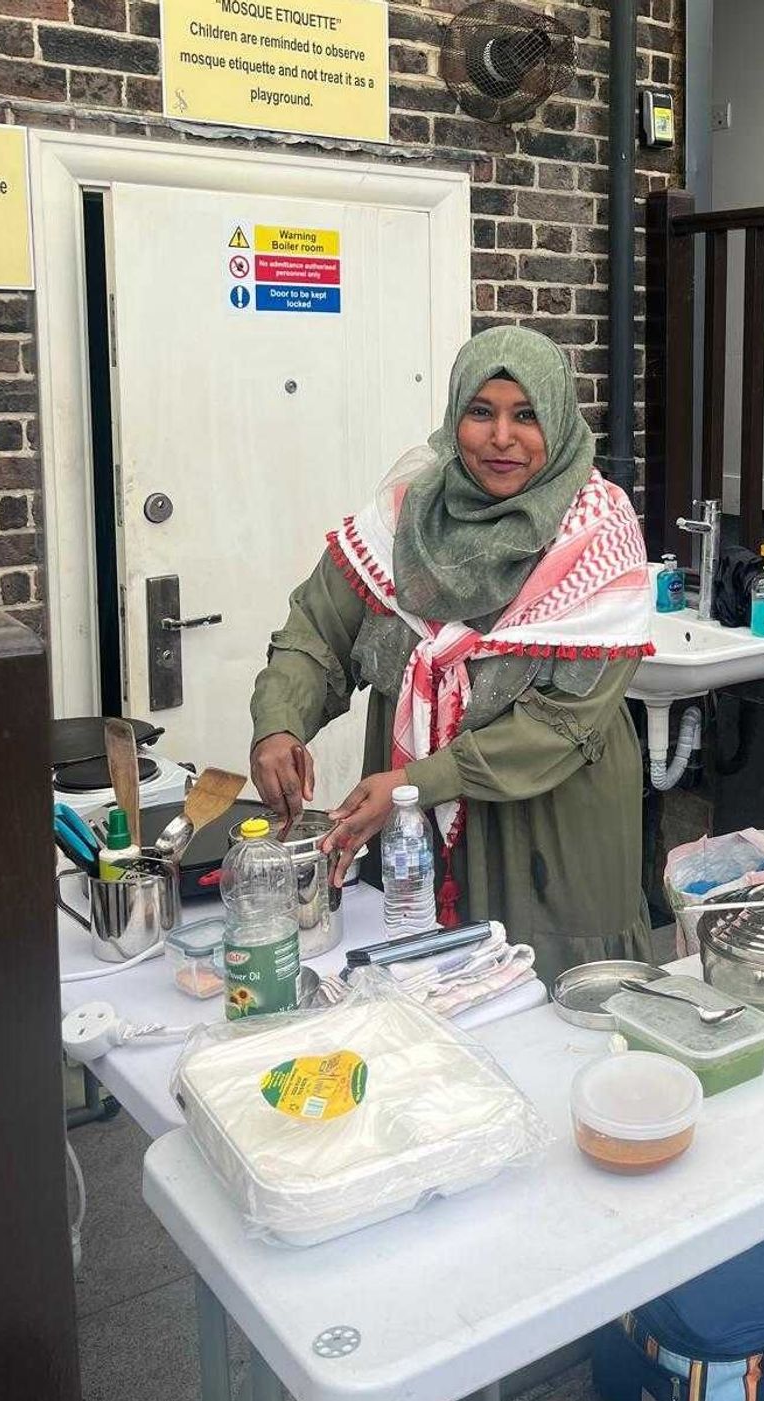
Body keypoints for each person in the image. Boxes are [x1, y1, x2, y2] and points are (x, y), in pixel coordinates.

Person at [248, 327, 655, 982]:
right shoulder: (405, 516)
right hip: (414, 829)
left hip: (551, 828)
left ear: (558, 420)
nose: (502, 438)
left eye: (526, 415)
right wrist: (278, 723)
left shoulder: (597, 536)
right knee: (422, 1001)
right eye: (481, 412)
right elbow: (317, 632)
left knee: (555, 1014)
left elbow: (565, 722)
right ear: (453, 414)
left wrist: (416, 784)